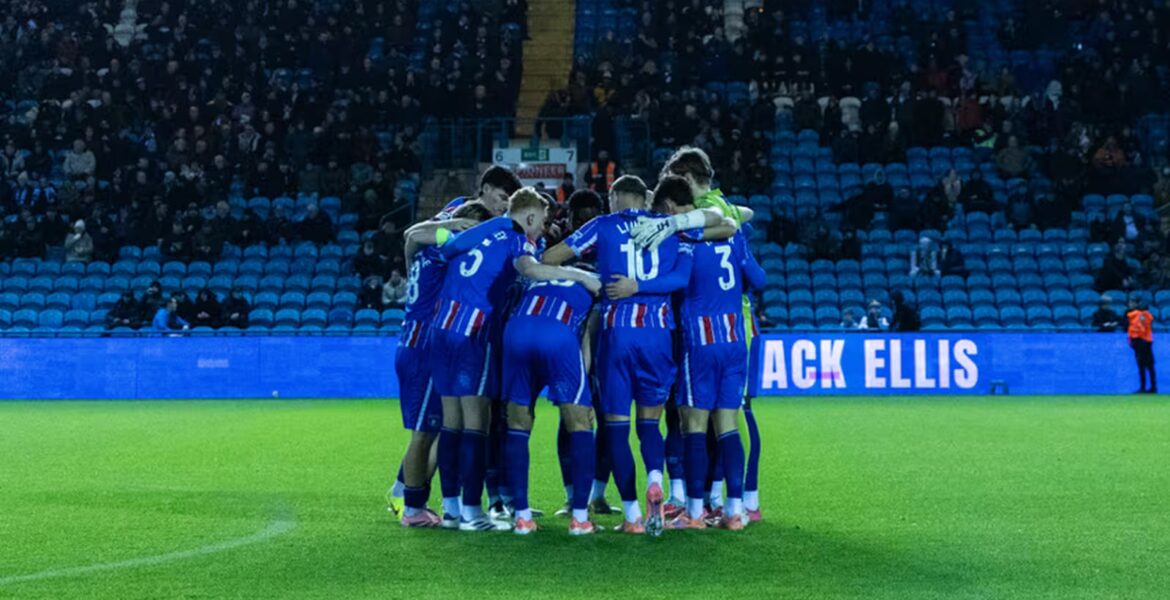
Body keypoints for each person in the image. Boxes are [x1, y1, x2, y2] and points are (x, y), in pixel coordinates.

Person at [429, 188, 599, 531]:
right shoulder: (517, 236)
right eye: (543, 221)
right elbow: (530, 269)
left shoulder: (484, 230)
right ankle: (472, 513)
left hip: (440, 325)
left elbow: (445, 250)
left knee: (451, 423)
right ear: (531, 216)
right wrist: (581, 276)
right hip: (472, 329)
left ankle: (450, 509)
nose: (542, 230)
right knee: (476, 424)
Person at [542, 175, 695, 536]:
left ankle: (632, 516)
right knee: (650, 424)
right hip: (658, 335)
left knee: (616, 428)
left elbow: (550, 257)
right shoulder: (672, 227)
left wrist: (584, 274)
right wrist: (642, 286)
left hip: (617, 333)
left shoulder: (603, 225)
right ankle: (655, 479)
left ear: (614, 198)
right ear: (645, 198)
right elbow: (681, 279)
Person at [652, 176, 762, 531]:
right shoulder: (732, 235)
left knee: (694, 426)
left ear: (670, 207)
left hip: (700, 339)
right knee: (728, 425)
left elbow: (677, 283)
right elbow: (759, 279)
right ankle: (734, 511)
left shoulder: (682, 239)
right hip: (735, 339)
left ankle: (695, 513)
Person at [391, 201, 494, 528]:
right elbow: (413, 234)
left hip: (413, 341)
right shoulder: (447, 252)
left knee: (433, 428)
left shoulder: (424, 254)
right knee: (423, 433)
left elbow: (411, 238)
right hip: (424, 346)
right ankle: (411, 506)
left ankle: (416, 500)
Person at [501, 260, 601, 535]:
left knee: (517, 424)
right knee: (579, 424)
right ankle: (580, 519)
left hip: (516, 332)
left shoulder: (538, 279)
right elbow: (587, 337)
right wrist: (582, 394)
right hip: (558, 334)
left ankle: (522, 517)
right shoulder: (593, 283)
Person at [1125, 296, 1156, 393]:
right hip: (1147, 341)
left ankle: (1143, 387)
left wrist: (1133, 341)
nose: (1130, 305)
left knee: (1142, 365)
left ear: (1136, 304)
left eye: (1132, 303)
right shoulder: (1147, 315)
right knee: (1149, 365)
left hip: (1140, 341)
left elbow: (1136, 330)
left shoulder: (1135, 315)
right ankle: (1152, 387)